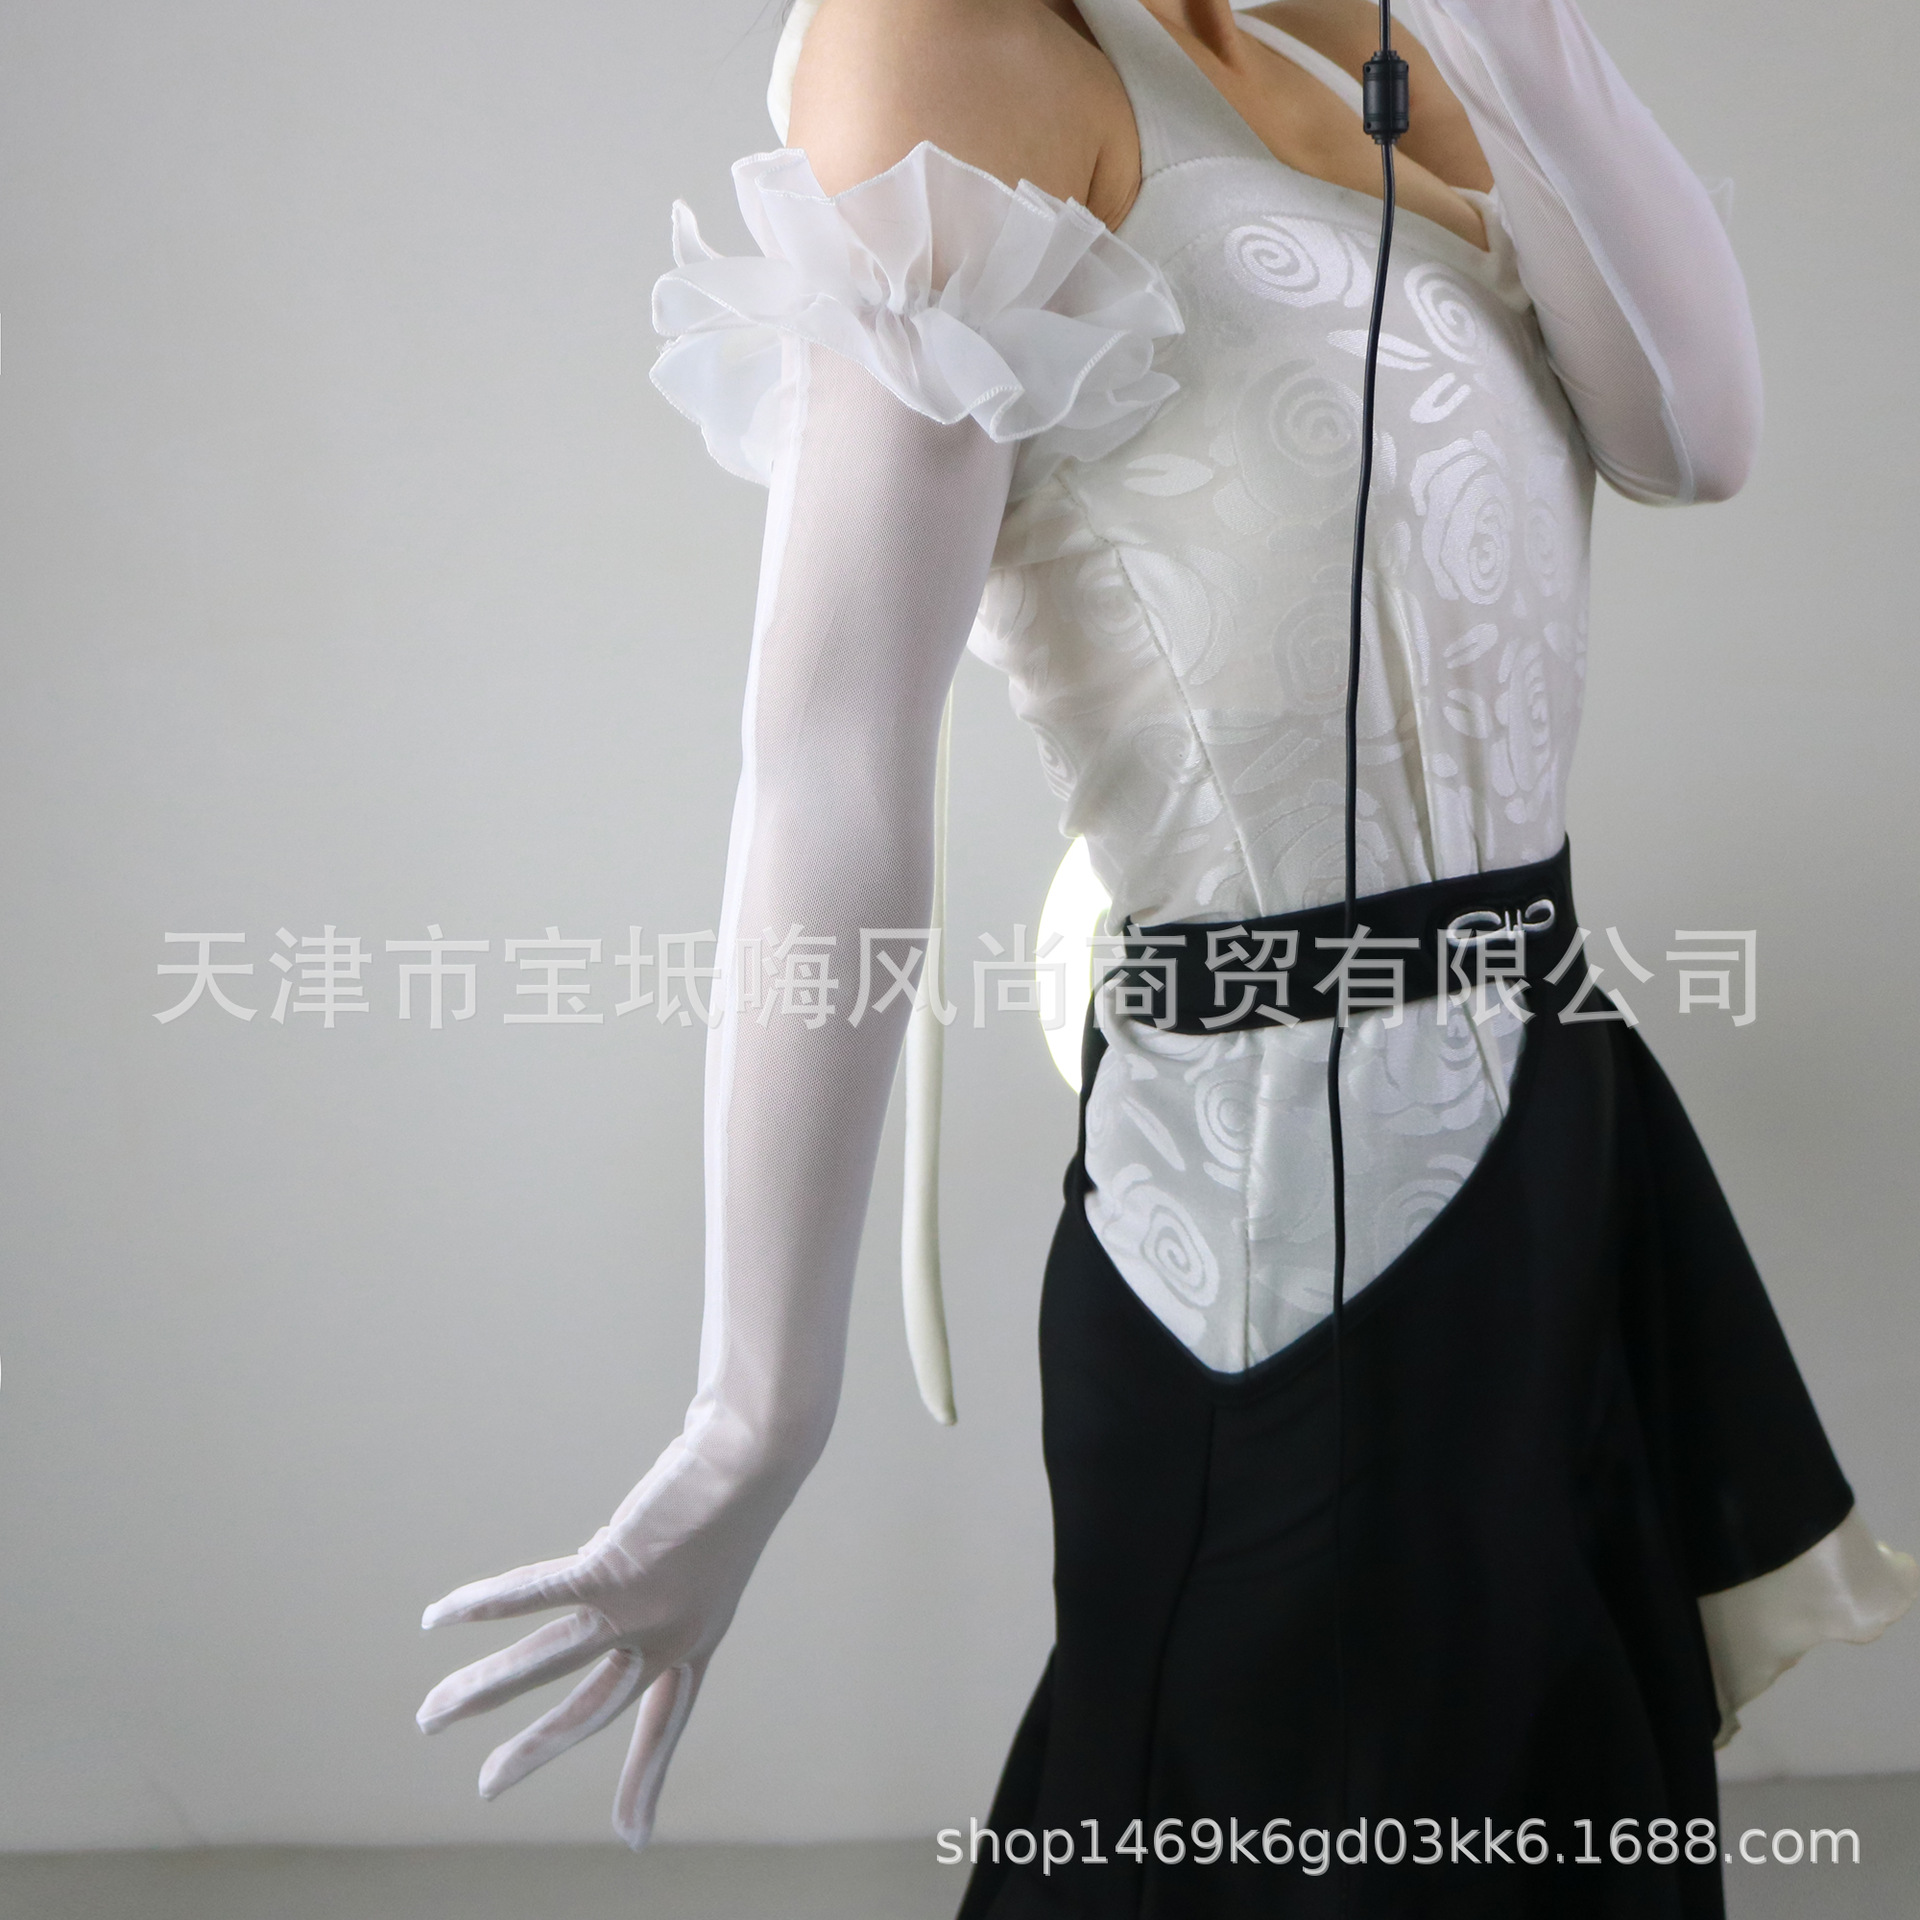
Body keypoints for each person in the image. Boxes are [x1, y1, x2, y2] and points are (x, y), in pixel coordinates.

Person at [414, 1, 1916, 1910]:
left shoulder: (1409, 45)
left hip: (1555, 1118)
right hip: (1276, 1199)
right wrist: (754, 1406)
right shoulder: (957, 45)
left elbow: (1693, 436)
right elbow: (828, 762)